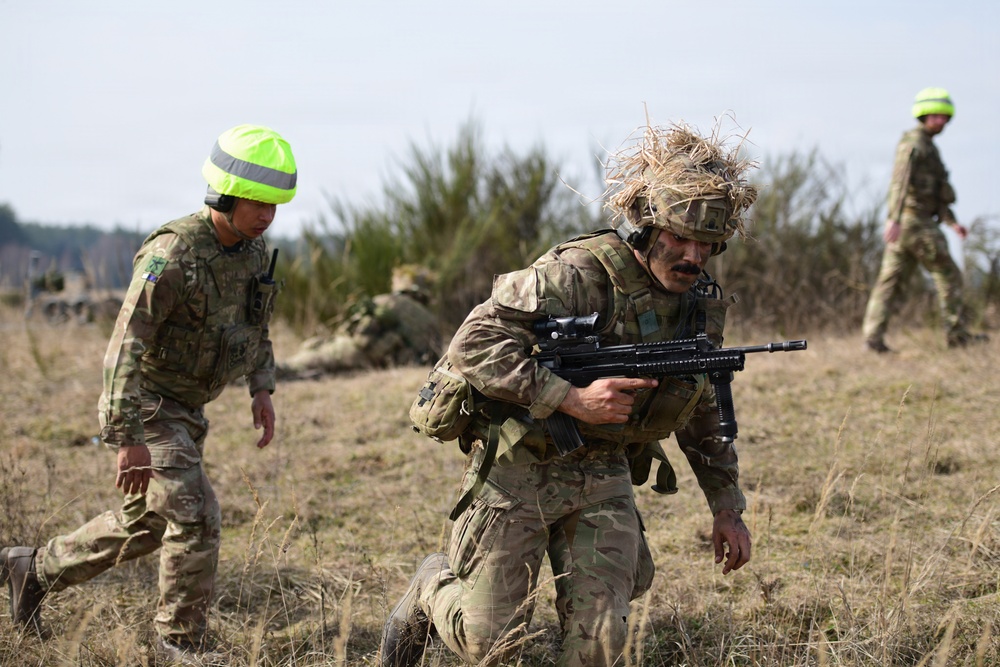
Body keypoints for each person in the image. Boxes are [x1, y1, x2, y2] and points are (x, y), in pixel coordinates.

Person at [380, 121, 757, 666]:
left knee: (599, 643)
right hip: (520, 467)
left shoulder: (697, 306)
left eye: (708, 245)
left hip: (604, 471)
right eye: (680, 237)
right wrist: (568, 397)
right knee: (488, 641)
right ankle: (430, 586)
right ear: (647, 228)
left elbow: (698, 407)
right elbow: (473, 341)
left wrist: (727, 508)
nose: (693, 256)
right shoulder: (576, 273)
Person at [0, 124, 297, 663]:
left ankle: (34, 568)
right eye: (258, 203)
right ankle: (178, 642)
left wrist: (262, 388)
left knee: (147, 523)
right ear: (224, 193)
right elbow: (124, 347)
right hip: (150, 407)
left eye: (275, 205)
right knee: (195, 513)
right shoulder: (174, 253)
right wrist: (126, 436)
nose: (267, 216)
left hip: (188, 411)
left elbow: (257, 330)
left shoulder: (253, 257)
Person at [862, 87, 987, 352]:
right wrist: (893, 219)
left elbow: (935, 191)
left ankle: (872, 340)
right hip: (915, 224)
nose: (940, 121)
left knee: (890, 283)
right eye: (935, 116)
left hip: (909, 225)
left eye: (944, 117)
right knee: (949, 276)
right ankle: (958, 335)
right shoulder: (914, 144)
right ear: (923, 114)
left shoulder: (928, 146)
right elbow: (900, 182)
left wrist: (952, 222)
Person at [278, 265, 443, 378]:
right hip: (381, 364)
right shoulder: (431, 320)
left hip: (355, 351)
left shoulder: (387, 301)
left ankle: (274, 371)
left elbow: (352, 328)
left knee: (303, 360)